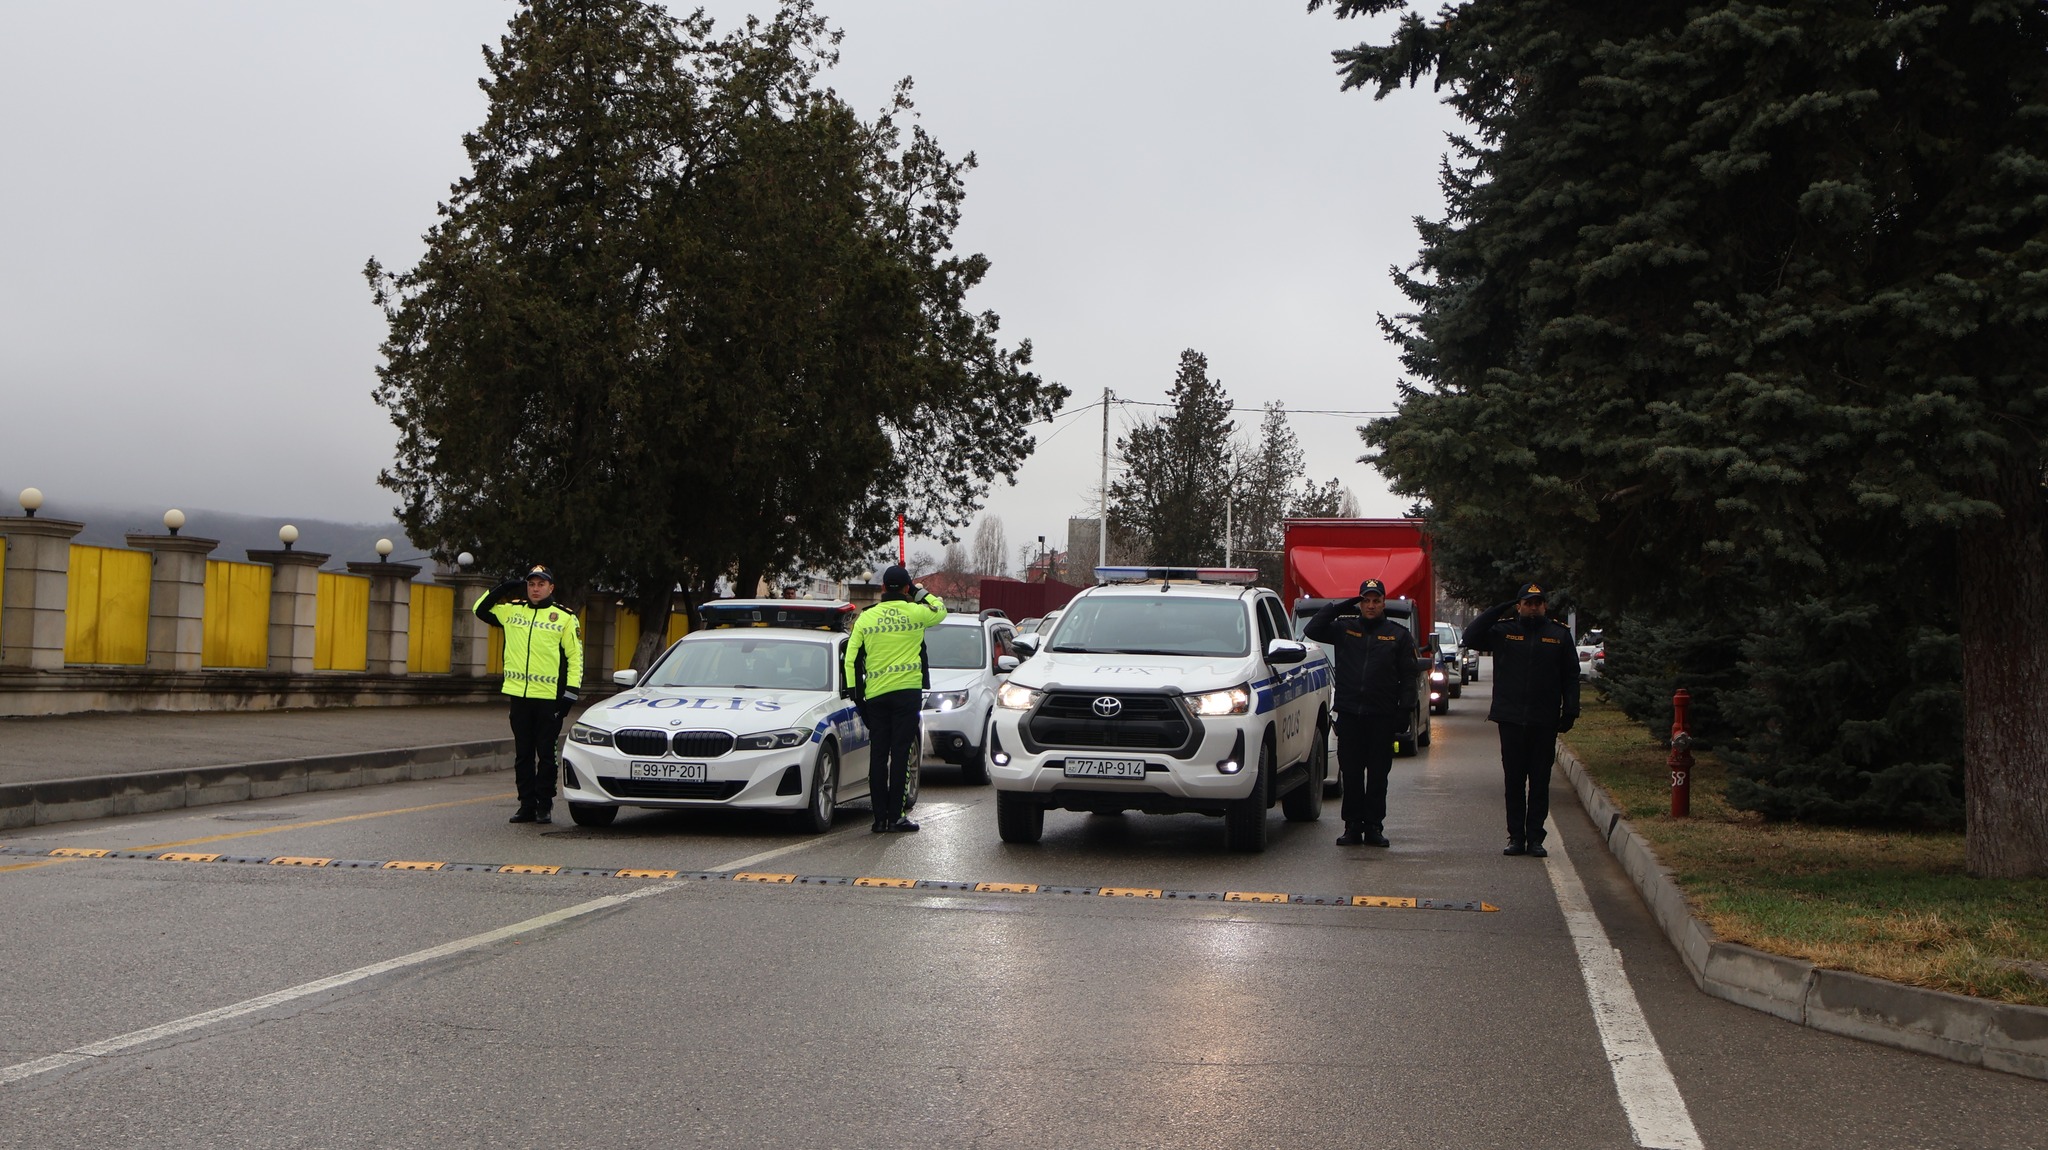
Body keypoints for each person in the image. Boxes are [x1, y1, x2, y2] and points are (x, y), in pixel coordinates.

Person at [1463, 582, 1580, 857]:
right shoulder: (1505, 632)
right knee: (1514, 781)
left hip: (1544, 719)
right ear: (1519, 606)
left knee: (1539, 781)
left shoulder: (1558, 635)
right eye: (1527, 603)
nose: (1533, 608)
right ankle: (1516, 836)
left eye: (1538, 603)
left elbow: (1570, 676)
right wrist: (1499, 608)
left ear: (1545, 606)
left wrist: (1570, 710)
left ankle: (1536, 838)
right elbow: (1471, 636)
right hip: (1511, 718)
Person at [1303, 578, 1423, 847]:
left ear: (1383, 603)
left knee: (1378, 776)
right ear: (1359, 603)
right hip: (1350, 715)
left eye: (1376, 601)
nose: (1371, 605)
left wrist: (1405, 711)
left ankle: (1374, 827)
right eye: (1365, 600)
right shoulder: (1345, 629)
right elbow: (1313, 629)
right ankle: (1352, 827)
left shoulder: (1398, 635)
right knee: (1352, 774)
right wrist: (1339, 606)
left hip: (1382, 717)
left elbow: (1409, 676)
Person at [474, 564, 584, 824]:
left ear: (551, 588)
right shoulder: (512, 611)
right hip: (519, 696)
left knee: (546, 754)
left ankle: (544, 805)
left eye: (541, 584)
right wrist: (503, 588)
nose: (535, 589)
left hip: (549, 698)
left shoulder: (565, 617)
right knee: (523, 754)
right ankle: (526, 804)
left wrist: (570, 694)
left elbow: (575, 657)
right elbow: (479, 609)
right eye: (531, 584)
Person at [844, 566, 947, 833]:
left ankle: (879, 819)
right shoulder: (916, 612)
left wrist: (856, 696)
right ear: (905, 588)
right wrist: (919, 592)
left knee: (878, 755)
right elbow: (940, 609)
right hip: (907, 694)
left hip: (876, 695)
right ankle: (896, 817)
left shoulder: (866, 618)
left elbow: (850, 660)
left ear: (881, 588)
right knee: (901, 753)